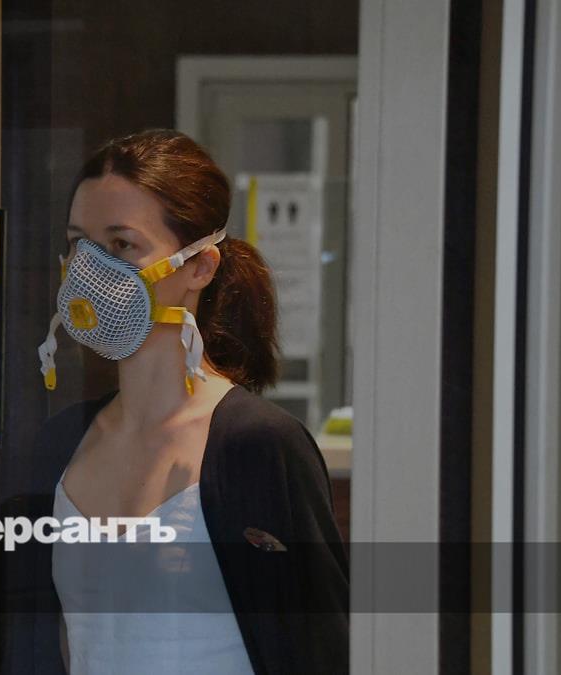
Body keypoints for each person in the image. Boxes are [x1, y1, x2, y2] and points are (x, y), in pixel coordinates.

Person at [31, 130, 350, 674]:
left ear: (200, 267)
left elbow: (322, 648)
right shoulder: (62, 443)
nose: (89, 270)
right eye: (78, 243)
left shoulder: (257, 446)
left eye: (122, 245)